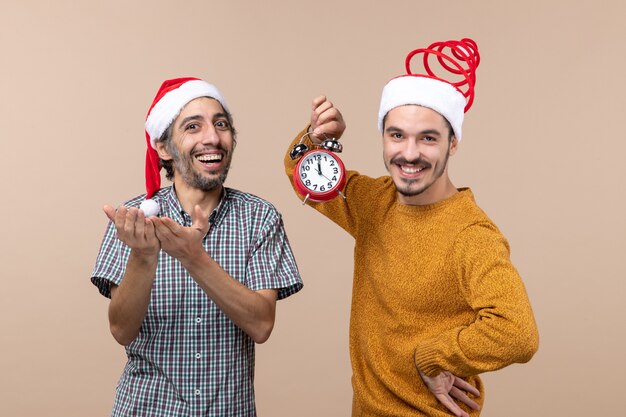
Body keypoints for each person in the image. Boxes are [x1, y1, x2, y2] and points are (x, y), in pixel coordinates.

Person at [283, 39, 539, 417]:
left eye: (428, 138)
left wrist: (431, 358)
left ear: (453, 144)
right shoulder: (373, 202)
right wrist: (316, 138)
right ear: (383, 138)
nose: (409, 153)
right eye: (397, 135)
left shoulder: (471, 234)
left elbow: (518, 333)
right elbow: (300, 174)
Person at [92, 77, 302, 417]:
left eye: (221, 124)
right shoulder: (132, 221)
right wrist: (144, 257)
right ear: (163, 147)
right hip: (146, 409)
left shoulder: (260, 218)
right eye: (193, 126)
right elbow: (121, 329)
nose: (212, 137)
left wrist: (194, 258)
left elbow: (262, 325)